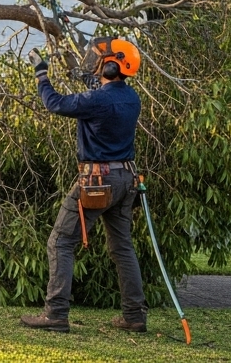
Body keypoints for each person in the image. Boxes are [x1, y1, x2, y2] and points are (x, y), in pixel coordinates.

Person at [20, 37, 148, 334]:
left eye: (101, 59)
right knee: (122, 247)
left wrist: (41, 73)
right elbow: (103, 97)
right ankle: (134, 316)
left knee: (61, 241)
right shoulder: (132, 98)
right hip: (126, 179)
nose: (95, 62)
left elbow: (55, 103)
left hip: (97, 180)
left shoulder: (98, 100)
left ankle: (56, 314)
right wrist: (92, 82)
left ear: (113, 65)